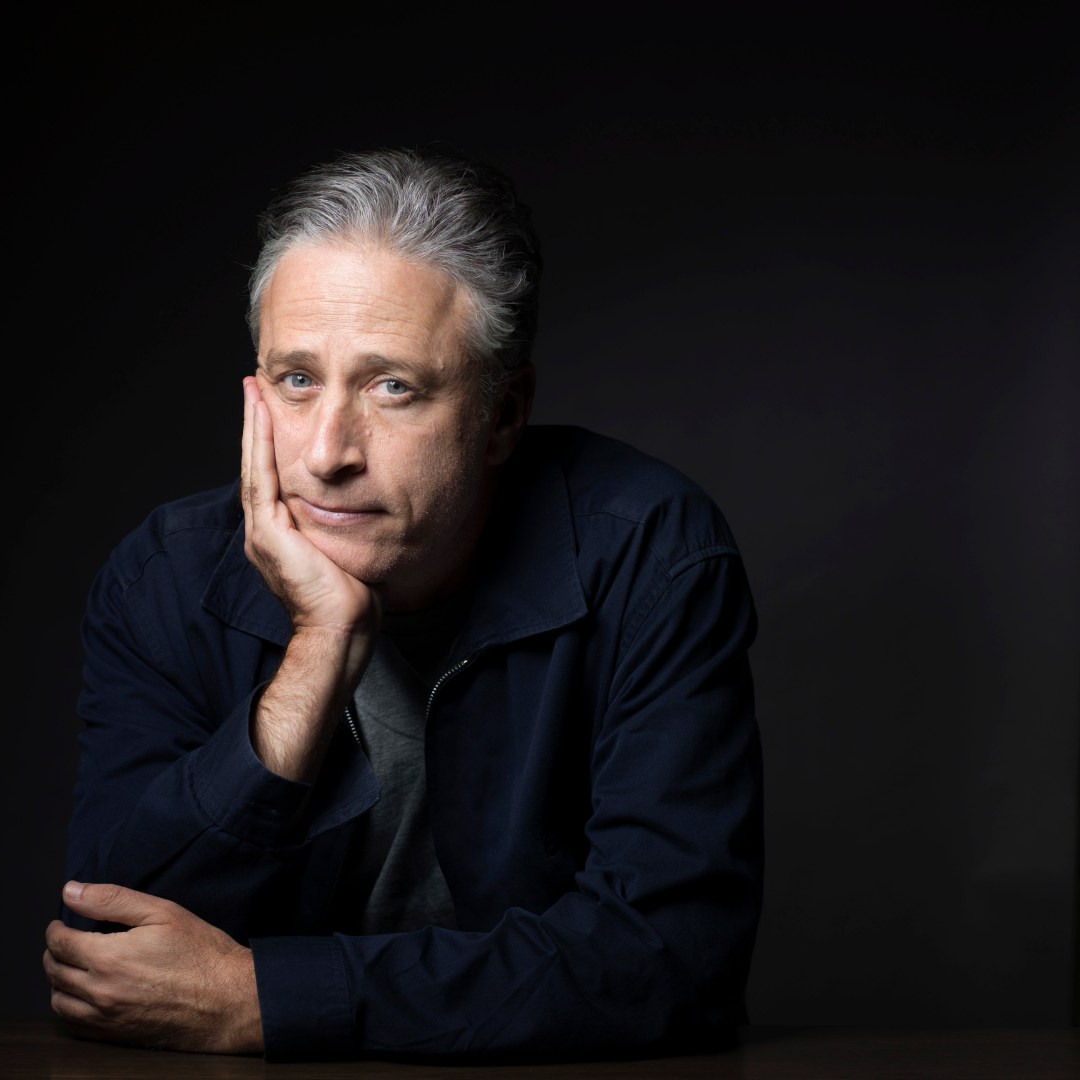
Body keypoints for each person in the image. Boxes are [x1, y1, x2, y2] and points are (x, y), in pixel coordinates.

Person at [42, 147, 763, 1060]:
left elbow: (671, 958)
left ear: (503, 414)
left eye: (393, 387)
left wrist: (265, 1000)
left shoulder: (651, 552)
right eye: (298, 381)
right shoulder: (165, 576)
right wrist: (318, 649)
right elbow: (108, 955)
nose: (328, 452)